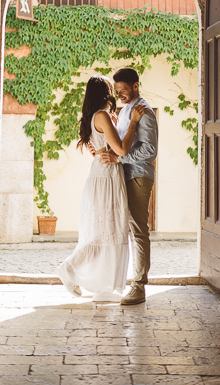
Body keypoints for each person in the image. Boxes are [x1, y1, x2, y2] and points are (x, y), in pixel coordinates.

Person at [57, 75, 146, 302]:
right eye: (111, 89)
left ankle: (102, 287)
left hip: (102, 175)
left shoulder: (95, 117)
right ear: (105, 93)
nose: (115, 94)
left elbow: (102, 146)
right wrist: (133, 122)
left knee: (108, 233)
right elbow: (123, 150)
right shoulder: (103, 116)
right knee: (106, 233)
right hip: (107, 177)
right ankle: (69, 267)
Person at [98, 67, 158, 306]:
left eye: (124, 89)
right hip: (125, 175)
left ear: (136, 85)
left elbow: (150, 150)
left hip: (139, 176)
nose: (120, 94)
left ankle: (139, 286)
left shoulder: (144, 111)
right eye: (117, 90)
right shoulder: (125, 112)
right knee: (127, 229)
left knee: (138, 230)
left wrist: (119, 158)